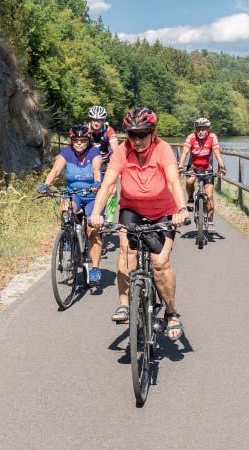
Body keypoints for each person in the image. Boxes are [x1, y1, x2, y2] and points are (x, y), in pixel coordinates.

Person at [90, 108, 189, 340]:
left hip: (163, 212)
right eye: (132, 135)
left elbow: (174, 182)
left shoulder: (163, 149)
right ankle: (124, 303)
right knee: (125, 253)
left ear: (152, 133)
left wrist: (182, 209)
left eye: (142, 134)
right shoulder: (123, 152)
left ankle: (171, 312)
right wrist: (96, 213)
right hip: (131, 210)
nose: (137, 140)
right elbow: (107, 185)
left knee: (160, 264)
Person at [37, 124, 103, 283]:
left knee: (92, 228)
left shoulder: (94, 153)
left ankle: (94, 268)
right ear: (71, 141)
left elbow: (96, 169)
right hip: (74, 193)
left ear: (88, 140)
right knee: (66, 209)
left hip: (92, 195)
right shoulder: (66, 153)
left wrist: (96, 183)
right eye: (76, 140)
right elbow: (56, 170)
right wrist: (46, 184)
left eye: (83, 140)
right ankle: (67, 237)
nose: (79, 143)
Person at [178, 117, 226, 229]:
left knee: (209, 196)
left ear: (208, 129)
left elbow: (217, 153)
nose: (200, 131)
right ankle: (190, 198)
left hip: (207, 168)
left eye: (203, 129)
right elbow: (184, 153)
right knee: (189, 181)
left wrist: (222, 167)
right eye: (198, 129)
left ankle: (210, 220)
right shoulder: (191, 137)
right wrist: (180, 167)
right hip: (193, 167)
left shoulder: (212, 137)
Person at [87, 105, 119, 222]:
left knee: (112, 190)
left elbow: (116, 150)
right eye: (94, 120)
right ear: (90, 120)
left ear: (103, 120)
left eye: (100, 120)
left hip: (107, 162)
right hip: (91, 163)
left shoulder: (108, 130)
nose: (97, 122)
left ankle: (109, 220)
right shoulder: (86, 129)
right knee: (91, 188)